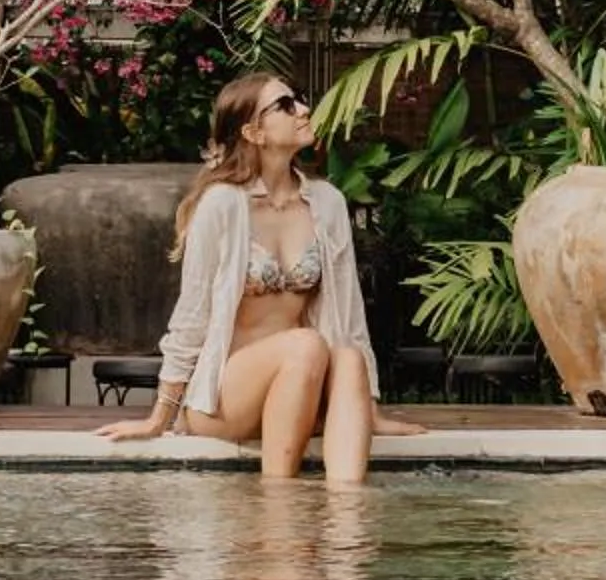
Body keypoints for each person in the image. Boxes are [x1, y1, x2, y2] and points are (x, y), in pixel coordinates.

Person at [97, 69, 424, 482]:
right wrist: (159, 416)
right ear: (253, 132)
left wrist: (364, 406)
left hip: (307, 390)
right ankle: (278, 502)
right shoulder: (221, 206)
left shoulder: (327, 202)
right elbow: (192, 315)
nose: (303, 110)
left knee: (347, 357)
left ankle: (347, 525)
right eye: (285, 106)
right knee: (305, 345)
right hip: (227, 399)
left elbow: (349, 316)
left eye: (299, 100)